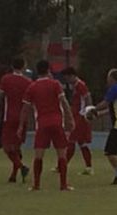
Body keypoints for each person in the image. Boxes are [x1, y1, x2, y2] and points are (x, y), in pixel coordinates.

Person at [17, 60, 75, 191]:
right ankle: (63, 184)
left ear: (37, 71)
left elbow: (25, 108)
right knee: (61, 154)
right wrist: (70, 118)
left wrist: (21, 126)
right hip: (57, 122)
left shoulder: (32, 87)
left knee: (38, 155)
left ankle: (36, 184)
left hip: (42, 124)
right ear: (48, 70)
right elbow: (64, 102)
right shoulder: (55, 84)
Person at [0, 58, 31, 183]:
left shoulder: (6, 79)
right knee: (17, 147)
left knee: (7, 147)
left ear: (12, 66)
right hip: (22, 118)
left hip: (9, 117)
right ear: (24, 66)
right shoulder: (28, 82)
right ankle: (14, 175)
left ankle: (21, 167)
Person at [60, 67, 94, 175]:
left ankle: (62, 165)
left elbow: (88, 97)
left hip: (80, 117)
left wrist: (88, 112)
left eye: (67, 78)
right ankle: (89, 167)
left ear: (72, 76)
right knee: (82, 142)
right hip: (79, 116)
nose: (67, 80)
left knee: (71, 140)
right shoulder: (76, 86)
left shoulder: (80, 85)